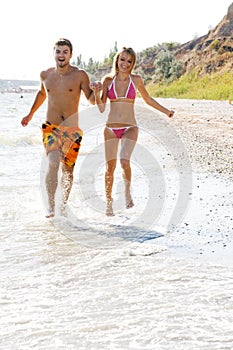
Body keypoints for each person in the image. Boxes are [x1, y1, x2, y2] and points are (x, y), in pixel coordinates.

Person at [90, 47, 174, 216]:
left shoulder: (136, 80)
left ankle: (127, 191)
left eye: (129, 61)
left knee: (124, 161)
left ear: (132, 63)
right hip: (111, 129)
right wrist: (96, 93)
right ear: (117, 60)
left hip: (130, 128)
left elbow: (148, 99)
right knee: (109, 168)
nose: (125, 64)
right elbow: (100, 108)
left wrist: (166, 111)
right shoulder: (108, 80)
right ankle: (109, 203)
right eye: (122, 60)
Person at [21, 38, 100, 218]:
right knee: (53, 162)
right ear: (54, 53)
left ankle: (62, 204)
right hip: (51, 128)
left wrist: (97, 92)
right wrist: (30, 114)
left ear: (71, 54)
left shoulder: (80, 75)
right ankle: (50, 206)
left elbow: (91, 99)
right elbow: (42, 93)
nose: (61, 55)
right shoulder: (45, 75)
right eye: (58, 51)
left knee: (68, 170)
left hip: (72, 131)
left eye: (65, 52)